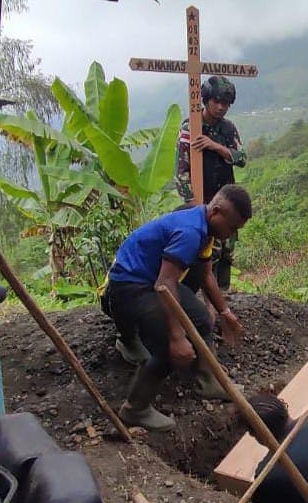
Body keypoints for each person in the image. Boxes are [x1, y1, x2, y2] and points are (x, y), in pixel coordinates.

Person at [100, 185, 252, 432]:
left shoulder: (205, 229)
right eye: (232, 227)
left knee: (202, 319)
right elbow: (165, 284)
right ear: (216, 212)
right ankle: (135, 408)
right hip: (130, 285)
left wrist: (225, 312)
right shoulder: (190, 231)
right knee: (166, 345)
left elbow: (205, 274)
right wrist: (177, 337)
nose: (232, 234)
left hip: (152, 279)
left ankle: (207, 380)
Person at [175, 75, 247, 290]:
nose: (221, 107)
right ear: (206, 100)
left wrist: (214, 146)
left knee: (226, 253)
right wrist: (194, 206)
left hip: (227, 202)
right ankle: (202, 301)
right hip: (204, 204)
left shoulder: (228, 129)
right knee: (205, 255)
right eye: (216, 101)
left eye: (225, 103)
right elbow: (181, 172)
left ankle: (223, 296)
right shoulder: (191, 127)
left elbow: (241, 157)